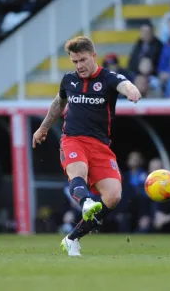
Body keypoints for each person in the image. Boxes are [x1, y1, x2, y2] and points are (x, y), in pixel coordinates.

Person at [32, 36, 141, 256]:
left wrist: (131, 90)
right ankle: (85, 201)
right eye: (74, 61)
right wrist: (43, 128)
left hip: (101, 146)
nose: (79, 65)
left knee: (113, 196)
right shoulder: (68, 80)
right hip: (73, 139)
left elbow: (124, 83)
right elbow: (58, 103)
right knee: (77, 171)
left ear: (93, 56)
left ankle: (72, 238)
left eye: (82, 60)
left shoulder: (108, 78)